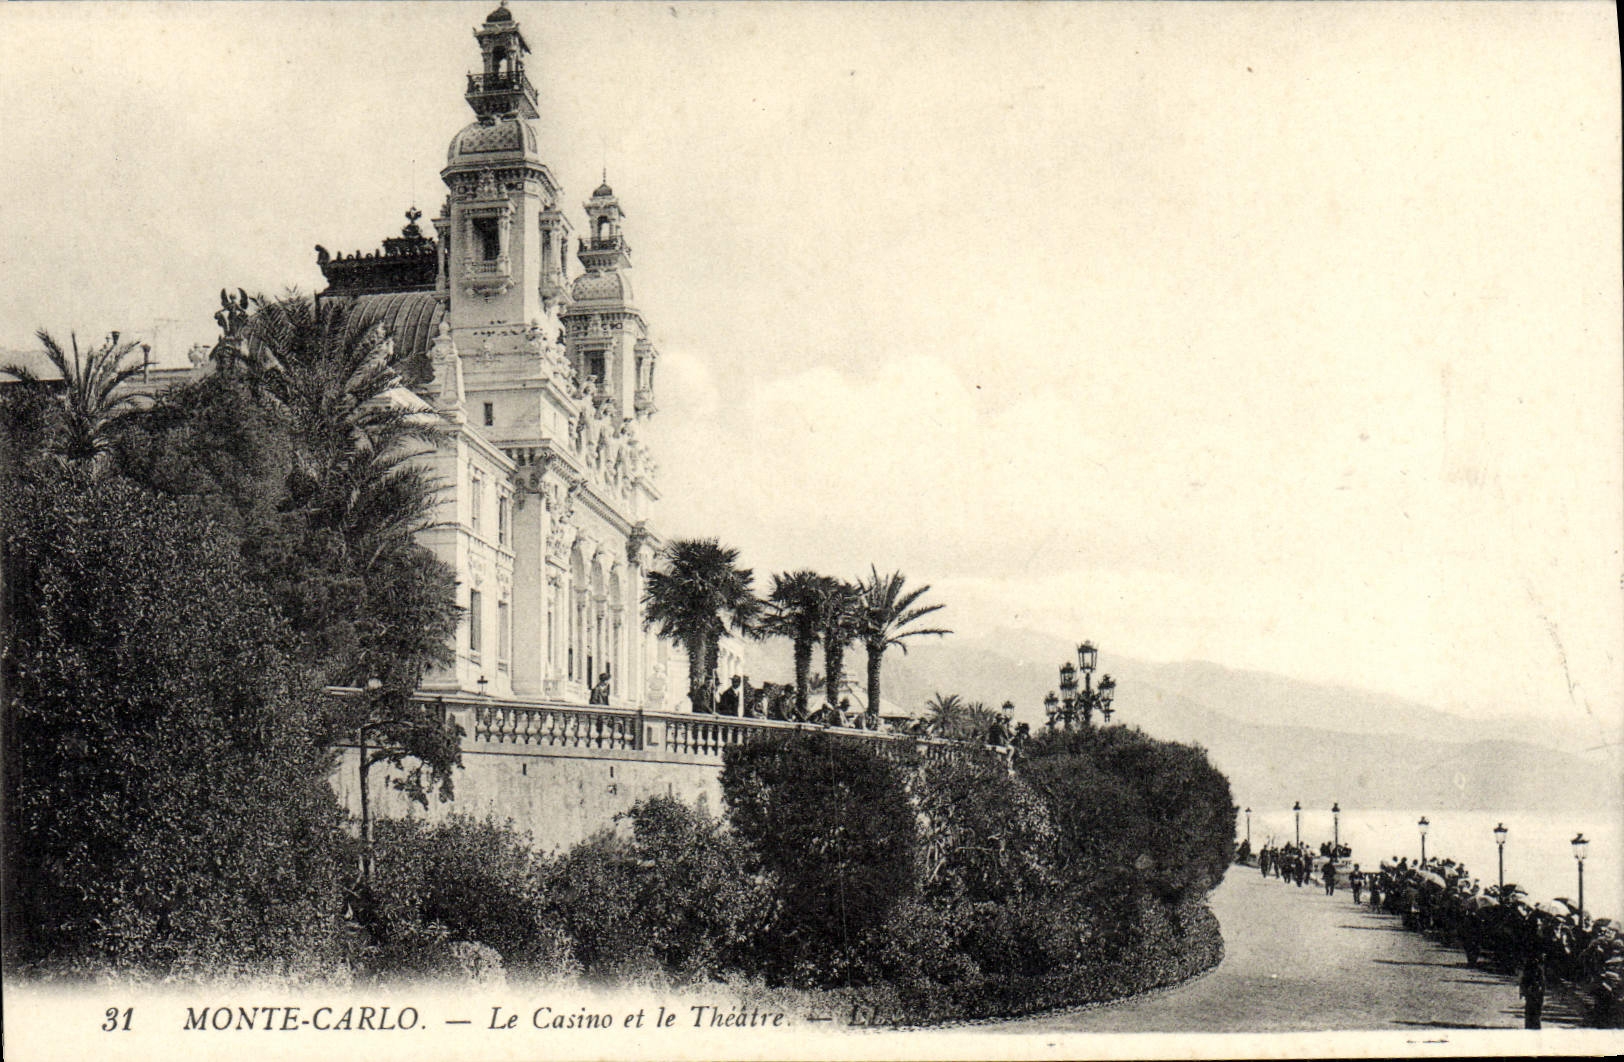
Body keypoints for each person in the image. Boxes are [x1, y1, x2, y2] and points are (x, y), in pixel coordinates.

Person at [1520, 951, 1545, 1029]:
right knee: (1532, 1008)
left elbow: (1542, 981)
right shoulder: (1533, 969)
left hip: (1535, 991)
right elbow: (1523, 980)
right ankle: (1532, 1025)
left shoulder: (1538, 969)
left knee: (1534, 1008)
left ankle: (1533, 1025)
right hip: (1532, 990)